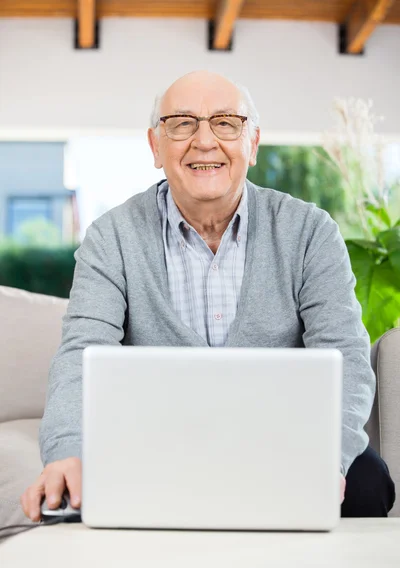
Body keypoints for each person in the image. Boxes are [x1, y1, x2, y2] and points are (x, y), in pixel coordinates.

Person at [21, 71, 395, 522]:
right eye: (181, 123)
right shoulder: (112, 237)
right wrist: (67, 450)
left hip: (281, 438)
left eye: (226, 123)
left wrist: (327, 456)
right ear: (155, 146)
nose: (203, 141)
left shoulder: (310, 231)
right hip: (155, 438)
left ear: (253, 144)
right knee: (79, 497)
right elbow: (81, 353)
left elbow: (346, 355)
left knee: (368, 483)